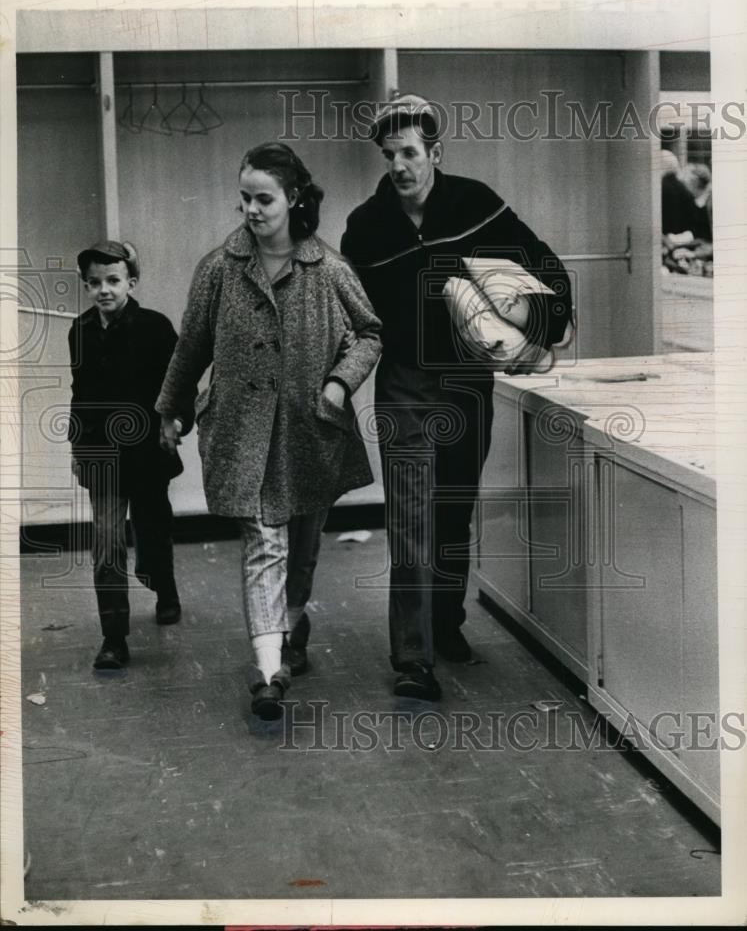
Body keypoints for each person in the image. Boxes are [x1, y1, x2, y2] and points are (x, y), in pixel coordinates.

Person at [341, 93, 573, 701]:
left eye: (411, 153)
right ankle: (412, 658)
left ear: (435, 153)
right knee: (412, 520)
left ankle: (446, 626)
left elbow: (545, 265)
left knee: (452, 513)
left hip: (468, 383)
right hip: (405, 388)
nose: (400, 166)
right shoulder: (365, 229)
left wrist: (541, 328)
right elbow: (352, 319)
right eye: (390, 155)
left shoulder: (477, 204)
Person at [156, 142, 381, 721]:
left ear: (294, 199)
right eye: (244, 199)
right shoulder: (219, 268)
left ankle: (289, 626)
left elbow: (370, 333)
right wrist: (172, 410)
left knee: (301, 553)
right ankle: (267, 670)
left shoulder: (327, 269)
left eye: (263, 199)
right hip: (241, 434)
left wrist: (338, 384)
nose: (251, 210)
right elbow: (191, 346)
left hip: (310, 435)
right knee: (264, 545)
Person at [69, 240, 183, 672]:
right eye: (95, 282)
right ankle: (113, 637)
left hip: (148, 453)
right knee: (107, 544)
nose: (105, 290)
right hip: (101, 455)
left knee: (152, 534)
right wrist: (77, 448)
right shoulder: (79, 331)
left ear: (131, 282)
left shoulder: (155, 327)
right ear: (85, 286)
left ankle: (164, 587)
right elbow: (79, 394)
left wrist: (173, 421)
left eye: (113, 281)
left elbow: (178, 382)